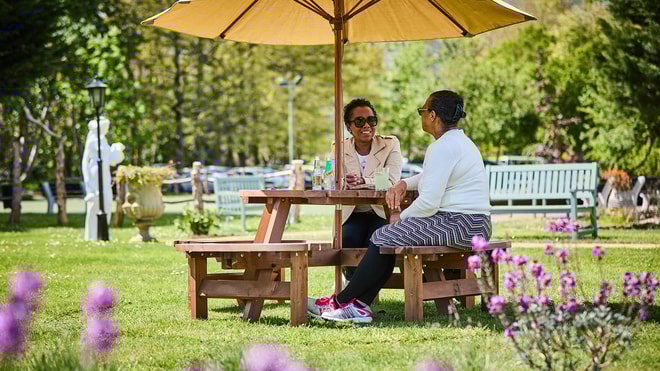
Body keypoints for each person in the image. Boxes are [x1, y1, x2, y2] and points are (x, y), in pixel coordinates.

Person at [309, 90, 491, 323]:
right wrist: (405, 182)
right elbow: (431, 176)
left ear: (433, 116)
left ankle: (347, 302)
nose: (421, 116)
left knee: (383, 235)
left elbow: (428, 203)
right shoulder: (459, 142)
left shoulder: (441, 147)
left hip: (460, 225)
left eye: (422, 111)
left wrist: (401, 217)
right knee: (385, 237)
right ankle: (353, 304)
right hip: (474, 224)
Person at [338, 98, 402, 282]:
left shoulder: (390, 145)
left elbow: (391, 181)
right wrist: (344, 181)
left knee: (378, 239)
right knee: (347, 239)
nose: (366, 125)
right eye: (359, 121)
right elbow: (332, 180)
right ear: (349, 126)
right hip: (352, 212)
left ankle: (362, 288)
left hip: (382, 211)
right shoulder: (339, 148)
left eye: (371, 120)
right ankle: (353, 283)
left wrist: (363, 180)